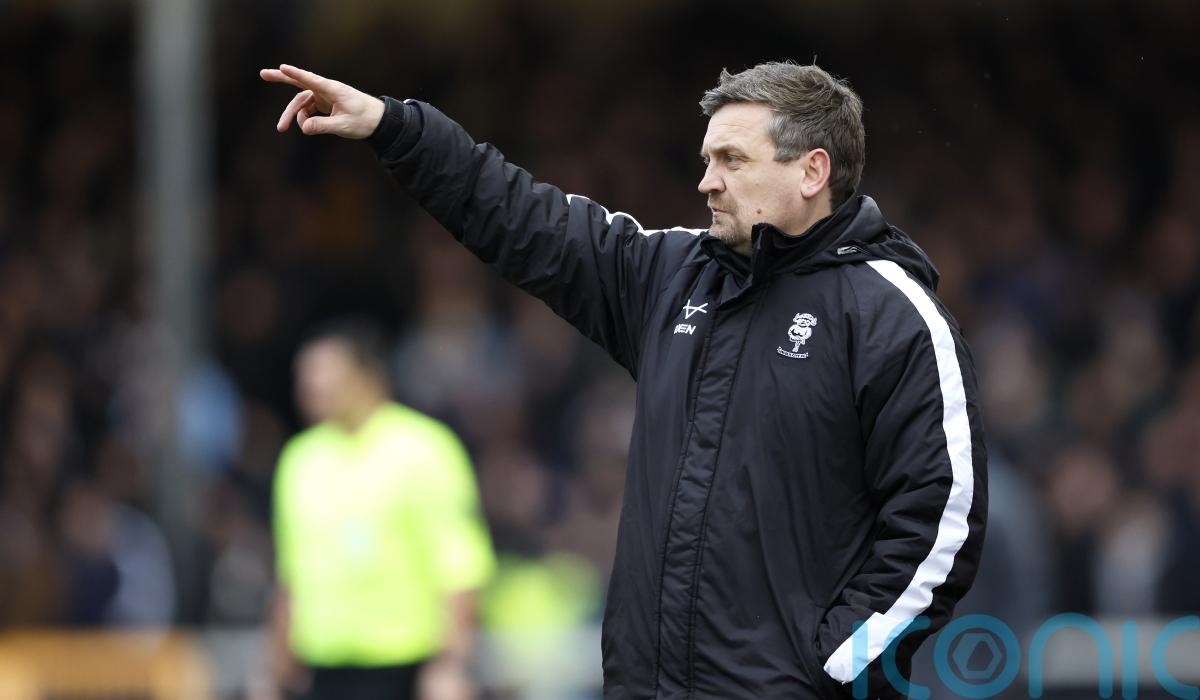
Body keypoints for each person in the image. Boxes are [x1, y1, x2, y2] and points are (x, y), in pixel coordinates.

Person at [261, 61, 988, 700]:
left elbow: (941, 520)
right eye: (707, 159)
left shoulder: (891, 314)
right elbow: (522, 215)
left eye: (732, 160)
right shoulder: (672, 276)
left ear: (812, 171)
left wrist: (834, 670)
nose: (707, 181)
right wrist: (394, 127)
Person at [263, 320, 495, 700]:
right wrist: (274, 663)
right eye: (305, 377)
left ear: (367, 376)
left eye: (325, 374)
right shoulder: (299, 460)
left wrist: (451, 664)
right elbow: (291, 573)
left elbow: (460, 566)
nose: (312, 386)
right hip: (322, 668)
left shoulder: (425, 448)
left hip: (406, 667)